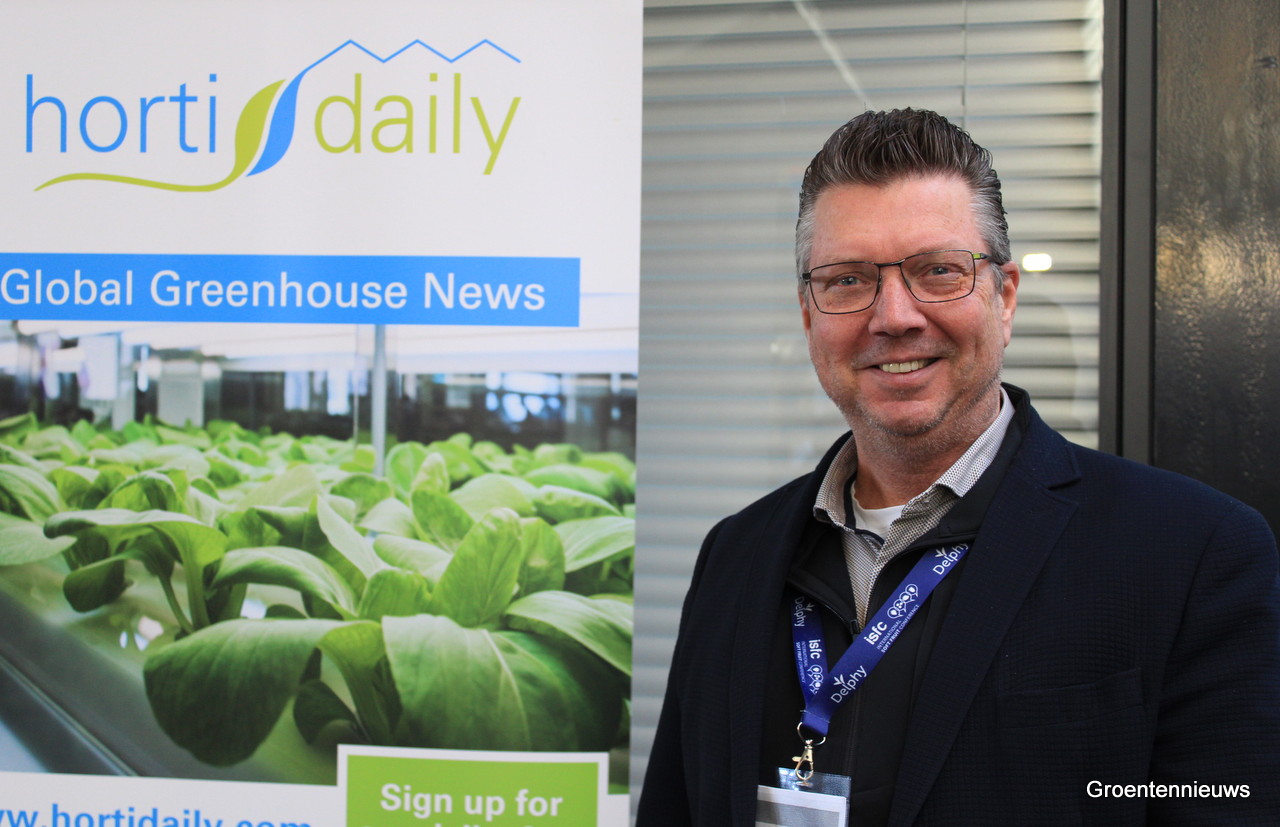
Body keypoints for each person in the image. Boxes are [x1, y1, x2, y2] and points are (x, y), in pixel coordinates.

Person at [636, 108, 1280, 826]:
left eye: (938, 271)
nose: (894, 316)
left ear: (1004, 297)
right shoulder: (735, 556)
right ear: (809, 314)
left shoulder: (1189, 553)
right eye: (847, 280)